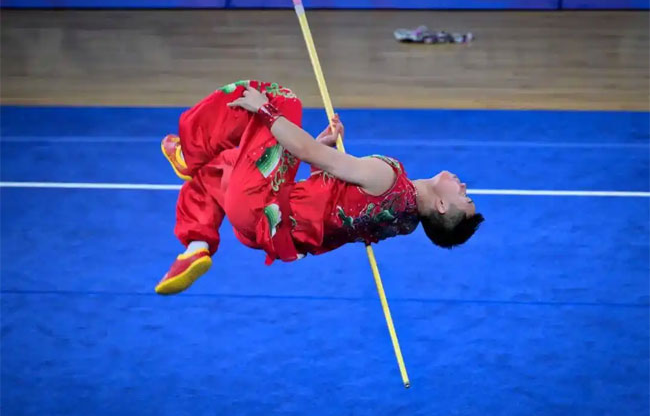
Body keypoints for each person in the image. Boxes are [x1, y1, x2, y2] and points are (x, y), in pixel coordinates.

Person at [156, 80, 483, 295]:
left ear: (442, 206)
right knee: (219, 166)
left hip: (260, 206)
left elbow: (307, 153)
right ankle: (196, 245)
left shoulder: (388, 176)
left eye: (464, 197)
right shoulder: (402, 222)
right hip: (261, 231)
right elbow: (329, 212)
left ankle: (188, 151)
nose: (464, 186)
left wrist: (266, 110)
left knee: (277, 98)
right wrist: (323, 148)